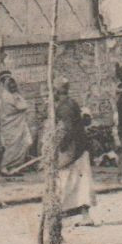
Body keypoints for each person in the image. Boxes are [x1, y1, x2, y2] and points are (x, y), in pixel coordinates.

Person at [49, 80, 95, 225]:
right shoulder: (71, 103)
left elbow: (68, 130)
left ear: (57, 92)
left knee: (66, 182)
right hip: (79, 147)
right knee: (80, 183)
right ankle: (82, 216)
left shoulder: (64, 108)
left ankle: (61, 216)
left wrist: (60, 147)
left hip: (74, 150)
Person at [0, 70, 39, 176]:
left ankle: (15, 166)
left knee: (21, 145)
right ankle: (5, 167)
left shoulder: (10, 95)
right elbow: (23, 106)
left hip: (16, 125)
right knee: (12, 147)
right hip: (10, 126)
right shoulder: (7, 96)